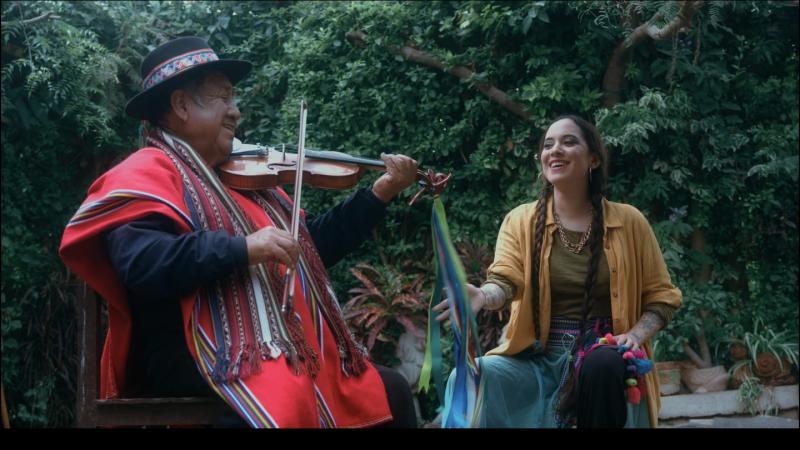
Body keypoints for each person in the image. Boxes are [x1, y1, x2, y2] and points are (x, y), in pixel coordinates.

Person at [60, 36, 419, 428]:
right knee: (280, 397)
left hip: (269, 346)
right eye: (223, 97)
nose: (236, 110)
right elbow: (144, 262)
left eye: (234, 98)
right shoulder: (146, 170)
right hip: (194, 349)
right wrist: (243, 248)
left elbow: (306, 247)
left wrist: (378, 195)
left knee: (391, 391)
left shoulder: (247, 182)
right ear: (181, 105)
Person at [434, 115, 682, 428]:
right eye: (548, 144)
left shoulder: (629, 221)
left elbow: (663, 298)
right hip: (535, 359)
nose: (555, 150)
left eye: (568, 142)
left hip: (603, 351)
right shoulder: (520, 220)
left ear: (593, 159)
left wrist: (634, 336)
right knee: (472, 376)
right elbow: (506, 280)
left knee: (603, 363)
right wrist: (483, 295)